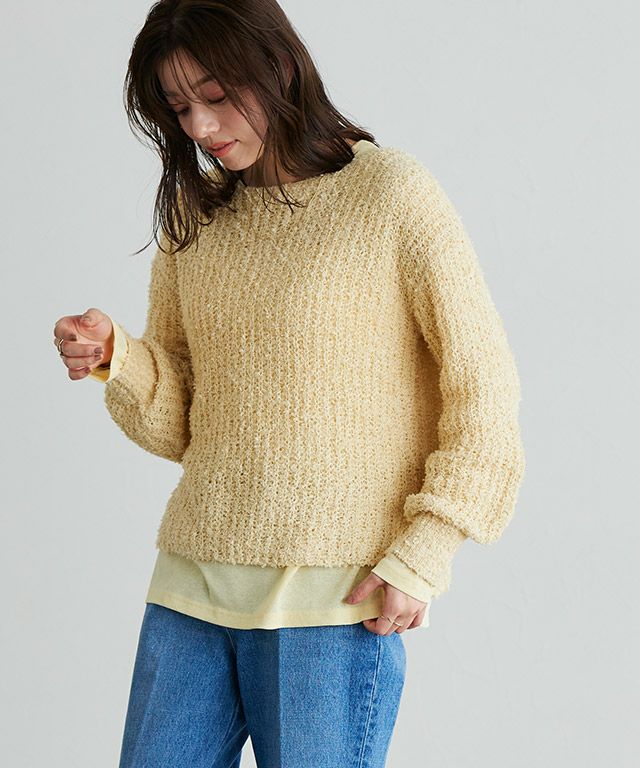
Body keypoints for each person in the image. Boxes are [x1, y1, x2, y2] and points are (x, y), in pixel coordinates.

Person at [52, 1, 526, 766]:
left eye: (215, 95)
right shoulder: (195, 213)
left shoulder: (390, 194)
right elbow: (187, 422)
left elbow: (484, 388)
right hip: (191, 589)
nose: (201, 126)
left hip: (334, 603)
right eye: (179, 107)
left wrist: (426, 549)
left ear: (276, 65)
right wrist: (120, 357)